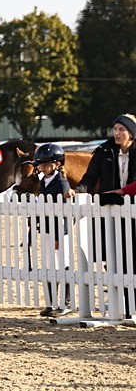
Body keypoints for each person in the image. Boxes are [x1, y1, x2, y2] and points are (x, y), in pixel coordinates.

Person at [77, 114, 136, 318]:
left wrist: (121, 193)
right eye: (115, 129)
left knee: (133, 257)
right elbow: (89, 178)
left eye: (121, 129)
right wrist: (77, 192)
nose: (116, 133)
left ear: (131, 134)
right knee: (111, 257)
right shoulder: (103, 151)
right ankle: (120, 302)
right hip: (110, 212)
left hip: (132, 210)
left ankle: (131, 303)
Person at [28, 144, 71, 317]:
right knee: (48, 265)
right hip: (46, 228)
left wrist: (59, 235)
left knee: (62, 264)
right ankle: (51, 302)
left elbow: (65, 212)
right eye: (41, 165)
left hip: (59, 229)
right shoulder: (43, 181)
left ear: (57, 164)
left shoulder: (61, 182)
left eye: (46, 165)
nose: (42, 167)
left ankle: (65, 302)